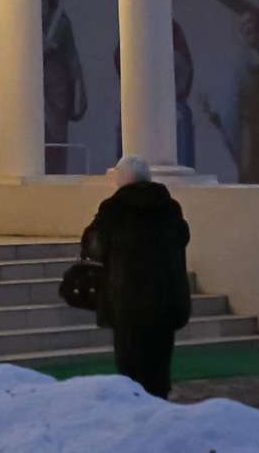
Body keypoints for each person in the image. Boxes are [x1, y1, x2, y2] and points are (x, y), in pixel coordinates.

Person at [81, 155, 191, 398]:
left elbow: (92, 245)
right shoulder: (170, 208)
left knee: (130, 373)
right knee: (159, 373)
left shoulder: (113, 210)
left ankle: (136, 424)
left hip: (126, 306)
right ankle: (159, 418)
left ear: (120, 180)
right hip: (165, 304)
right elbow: (183, 238)